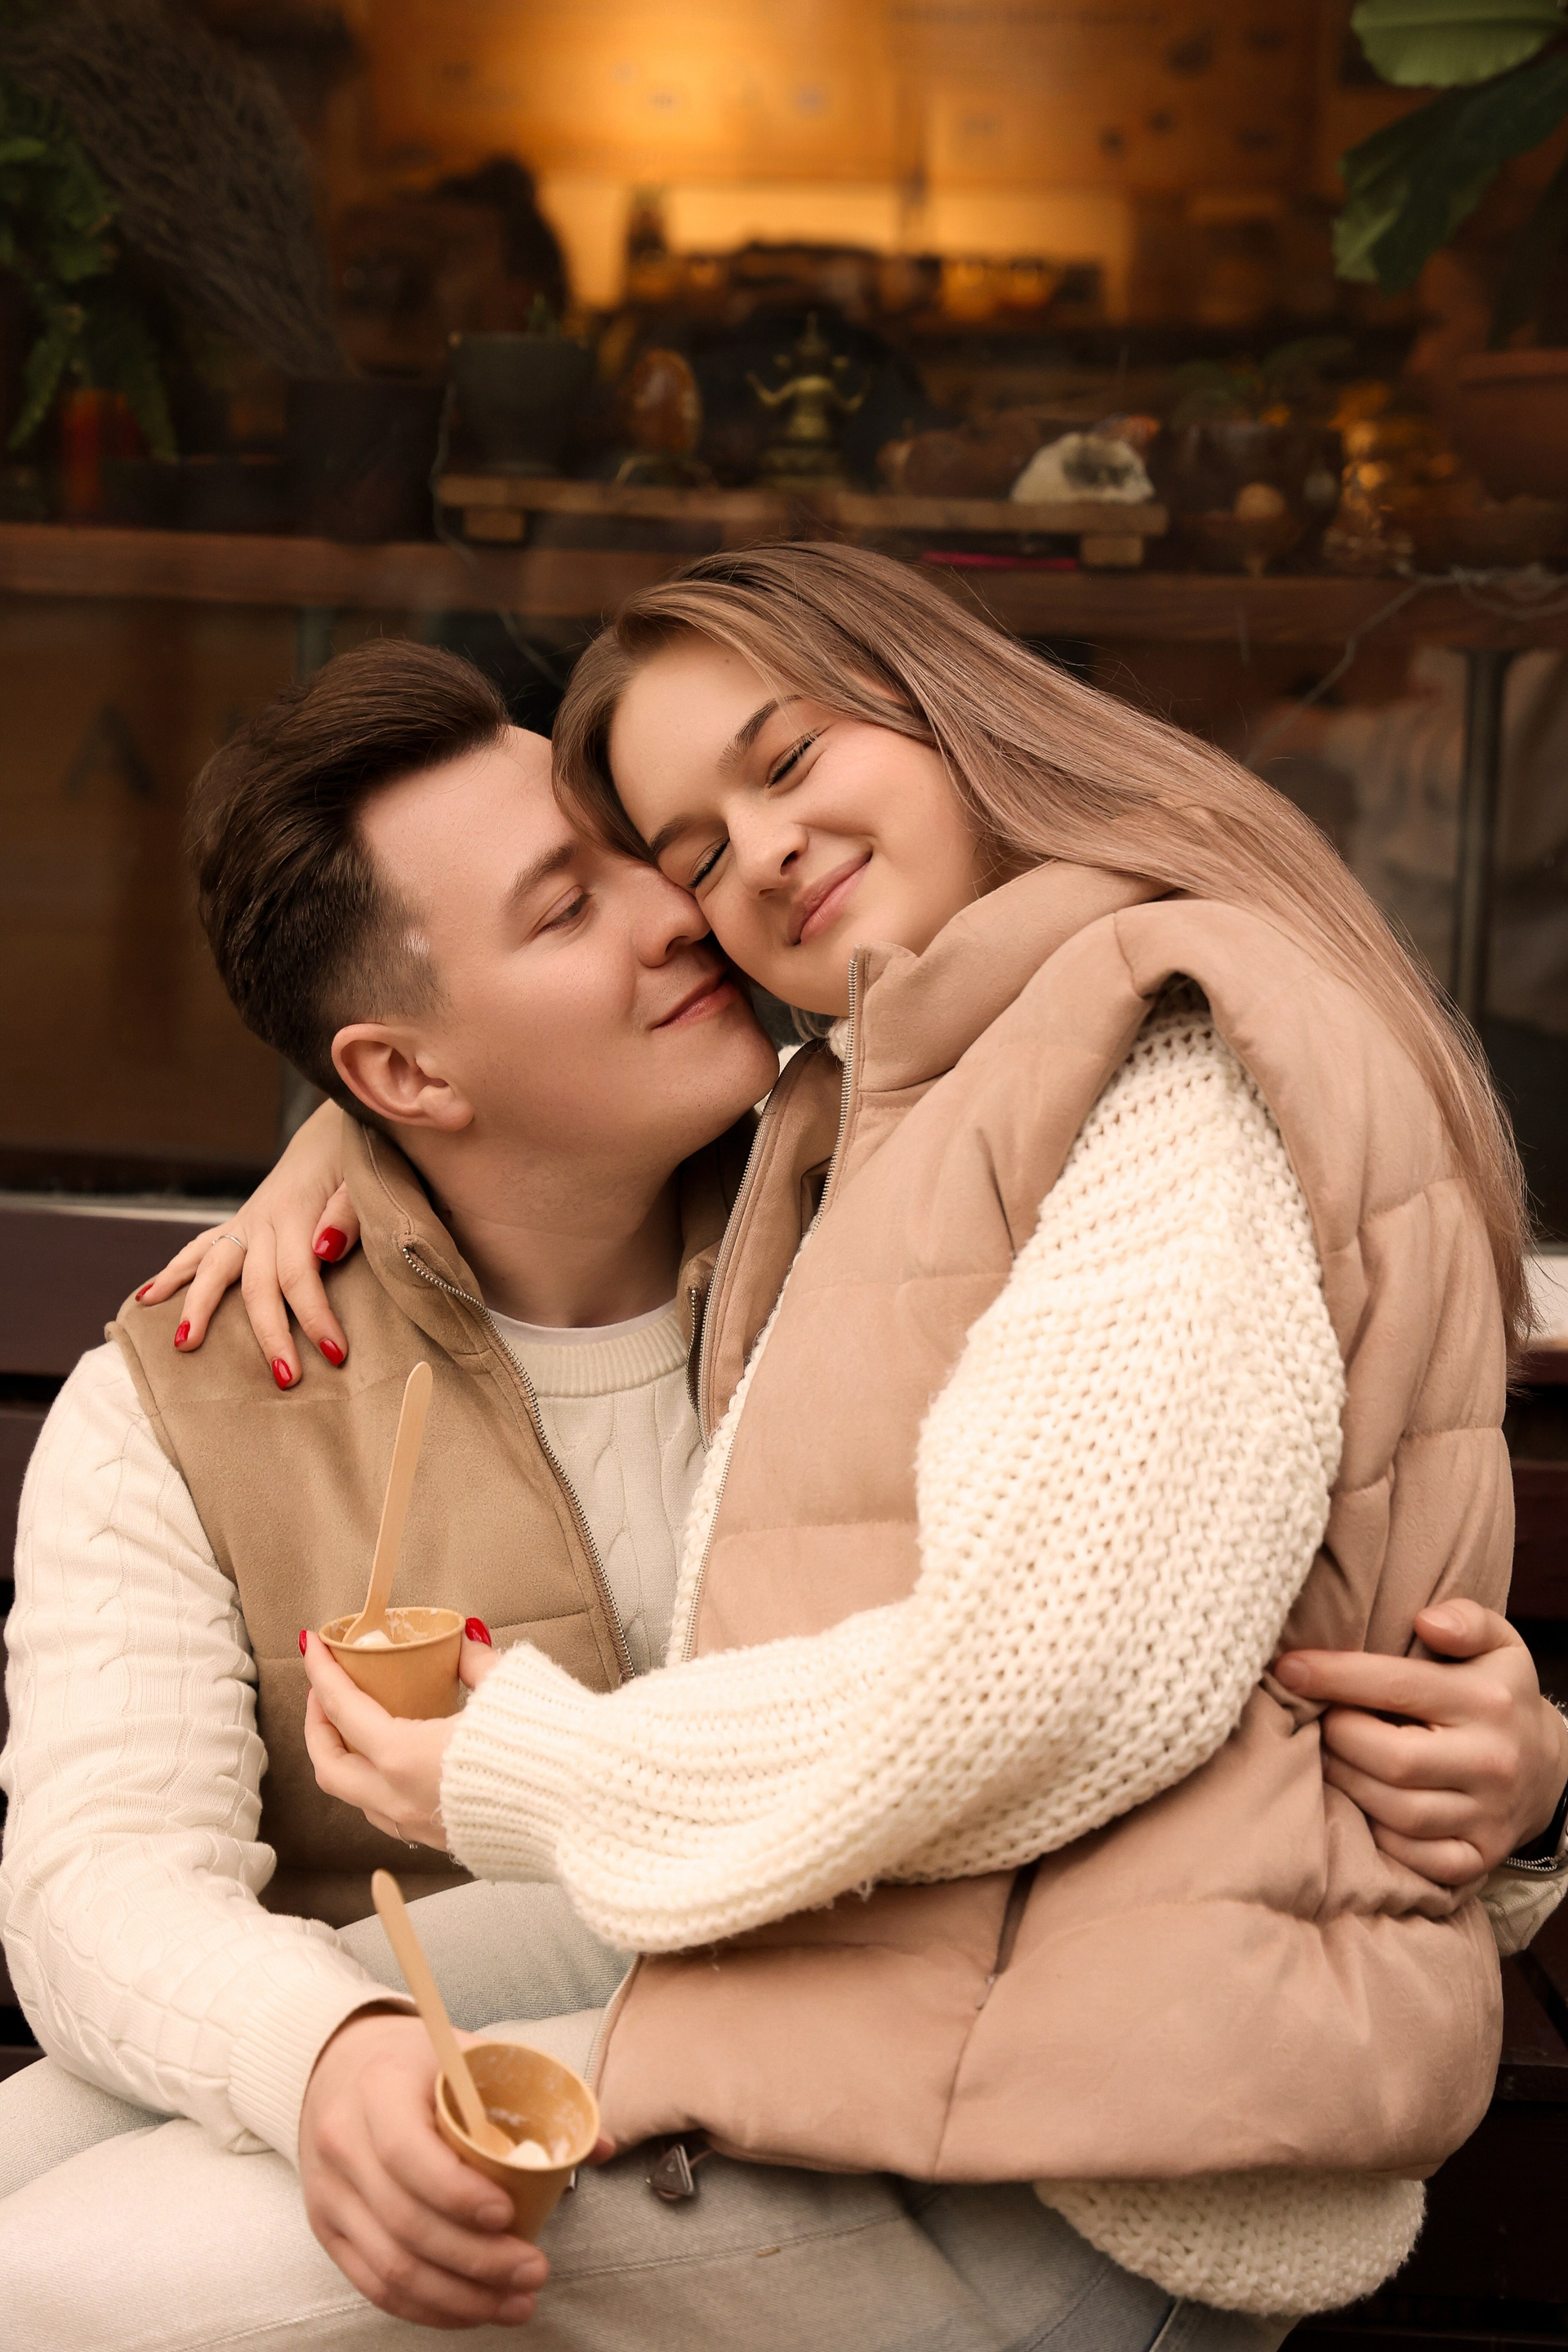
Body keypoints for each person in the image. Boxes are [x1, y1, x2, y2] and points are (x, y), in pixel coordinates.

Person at [111, 552, 1568, 2342]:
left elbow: (1045, 1682)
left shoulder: (1164, 1067)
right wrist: (345, 1142)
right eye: (694, 853)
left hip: (1091, 2127)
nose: (752, 862)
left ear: (949, 709)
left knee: (68, 2273)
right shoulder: (903, 1093)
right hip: (931, 1967)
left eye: (789, 757)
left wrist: (516, 1764)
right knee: (64, 2135)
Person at [0, 638, 783, 2336]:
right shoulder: (189, 1400)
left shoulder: (891, 1230)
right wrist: (323, 2057)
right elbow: (97, 1883)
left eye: (633, 853)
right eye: (564, 909)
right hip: (445, 2104)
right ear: (403, 1078)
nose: (677, 910)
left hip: (812, 2061)